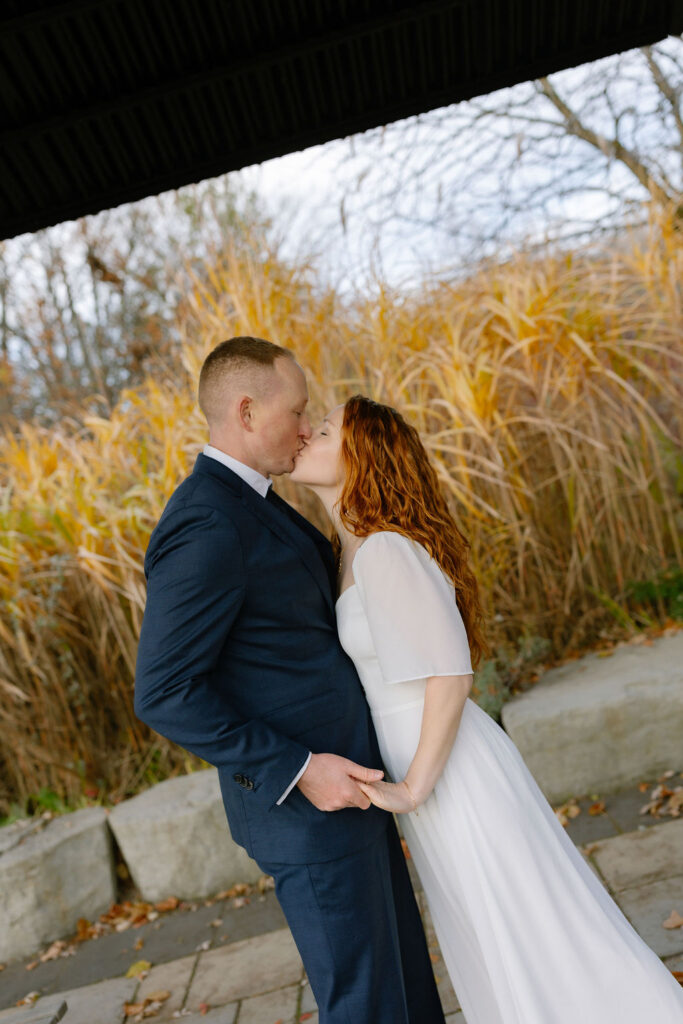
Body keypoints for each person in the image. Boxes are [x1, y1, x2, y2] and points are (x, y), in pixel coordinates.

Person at [289, 393, 683, 1024]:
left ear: (362, 457)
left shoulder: (385, 548)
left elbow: (451, 673)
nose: (308, 436)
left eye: (326, 432)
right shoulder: (351, 551)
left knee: (530, 929)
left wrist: (414, 787)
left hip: (451, 771)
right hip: (427, 765)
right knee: (490, 933)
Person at [133, 338, 445, 1024]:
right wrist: (300, 769)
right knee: (366, 1004)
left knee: (404, 990)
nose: (307, 427)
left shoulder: (256, 500)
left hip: (354, 790)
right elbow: (163, 690)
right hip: (312, 808)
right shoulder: (206, 520)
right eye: (298, 411)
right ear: (246, 412)